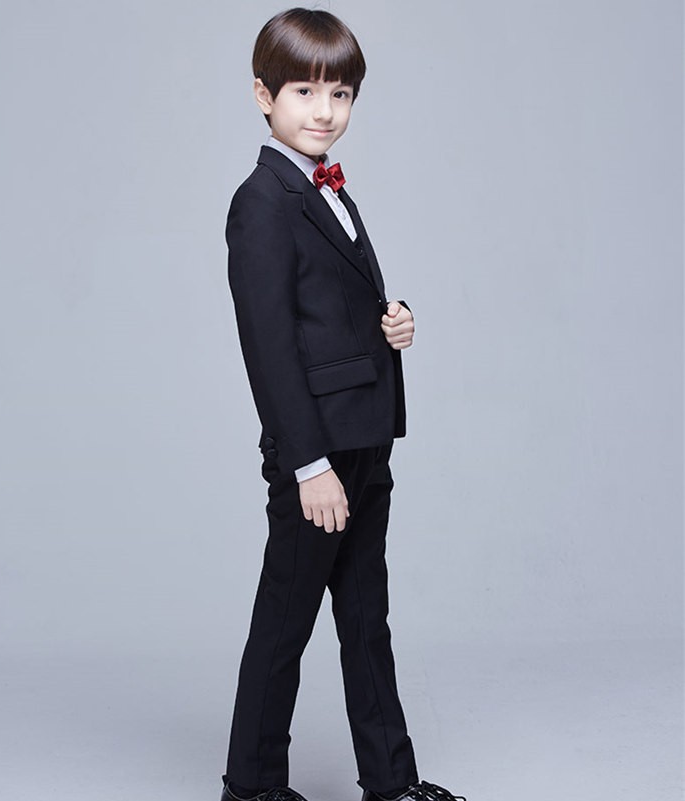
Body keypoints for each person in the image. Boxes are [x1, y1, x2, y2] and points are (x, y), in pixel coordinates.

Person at [222, 8, 466, 801]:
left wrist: (390, 321)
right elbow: (269, 347)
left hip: (364, 438)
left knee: (366, 618)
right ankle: (252, 788)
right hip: (318, 454)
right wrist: (308, 465)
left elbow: (331, 309)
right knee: (284, 625)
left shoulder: (328, 188)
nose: (325, 111)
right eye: (304, 91)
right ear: (264, 96)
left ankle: (390, 783)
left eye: (341, 94)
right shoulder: (262, 201)